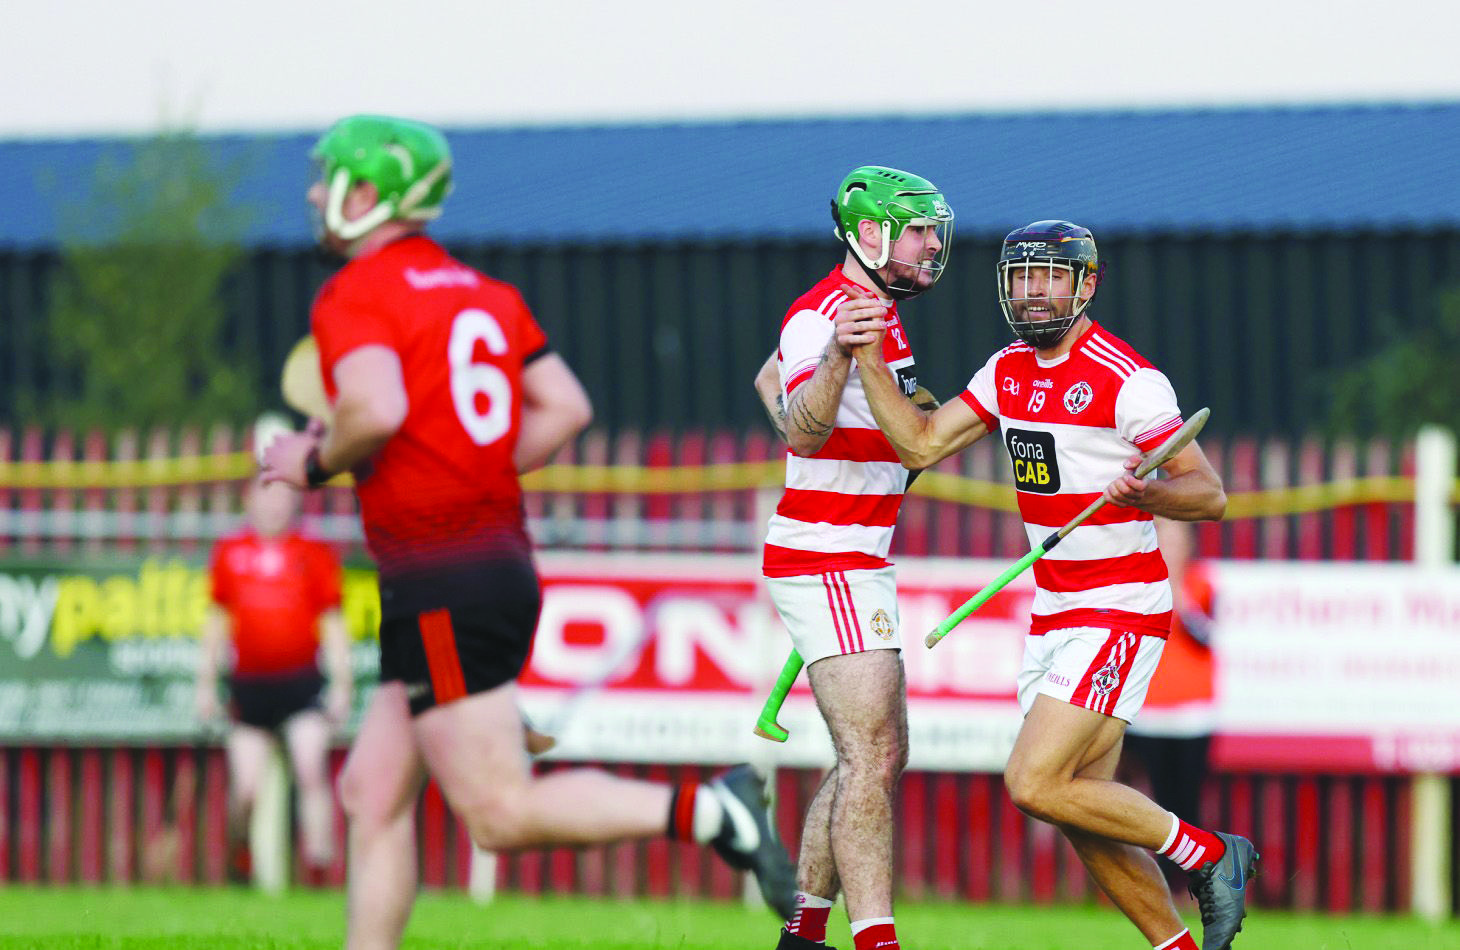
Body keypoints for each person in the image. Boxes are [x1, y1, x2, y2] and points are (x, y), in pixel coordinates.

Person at [260, 114, 794, 949]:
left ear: (372, 193)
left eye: (331, 179)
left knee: (499, 814)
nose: (316, 194)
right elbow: (567, 407)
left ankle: (711, 810)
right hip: (490, 562)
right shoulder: (487, 293)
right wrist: (469, 468)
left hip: (440, 572)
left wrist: (311, 458)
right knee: (371, 791)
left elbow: (375, 409)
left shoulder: (357, 291)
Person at [839, 219, 1257, 950]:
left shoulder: (1126, 379)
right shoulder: (1004, 370)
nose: (1034, 293)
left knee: (1032, 782)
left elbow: (1210, 495)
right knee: (1076, 806)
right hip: (1056, 611)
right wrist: (867, 354)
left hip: (1119, 608)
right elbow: (922, 441)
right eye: (1021, 278)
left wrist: (1147, 495)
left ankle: (1214, 854)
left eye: (1050, 278)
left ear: (1085, 285)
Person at [753, 166, 953, 950]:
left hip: (853, 553)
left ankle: (803, 933)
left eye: (936, 230)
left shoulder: (878, 315)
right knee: (870, 754)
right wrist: (837, 356)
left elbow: (766, 378)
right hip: (827, 552)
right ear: (868, 235)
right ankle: (876, 939)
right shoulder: (829, 317)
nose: (933, 246)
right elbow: (802, 426)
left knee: (874, 754)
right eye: (918, 231)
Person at [195, 474, 351, 884]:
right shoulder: (230, 552)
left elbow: (333, 623)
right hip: (249, 687)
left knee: (311, 768)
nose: (274, 506)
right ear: (249, 500)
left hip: (302, 684)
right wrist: (206, 685)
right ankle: (240, 858)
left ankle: (319, 869)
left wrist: (342, 686)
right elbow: (216, 622)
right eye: (267, 496)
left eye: (283, 496)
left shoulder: (314, 553)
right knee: (245, 788)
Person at [1124, 517, 1218, 885]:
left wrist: (1179, 595)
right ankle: (1152, 882)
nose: (1171, 546)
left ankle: (1188, 886)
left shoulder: (1202, 583)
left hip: (1192, 717)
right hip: (1146, 714)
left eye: (1178, 539)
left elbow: (1206, 637)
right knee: (1149, 805)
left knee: (1186, 805)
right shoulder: (1140, 585)